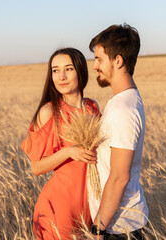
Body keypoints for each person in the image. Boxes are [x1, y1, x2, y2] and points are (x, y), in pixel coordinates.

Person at [21, 48, 100, 239]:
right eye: (55, 70)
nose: (61, 77)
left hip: (91, 205)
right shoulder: (49, 111)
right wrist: (68, 152)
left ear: (80, 71)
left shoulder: (92, 107)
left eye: (68, 69)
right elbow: (36, 167)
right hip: (59, 208)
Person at [88, 24, 148, 239]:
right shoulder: (120, 101)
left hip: (120, 228)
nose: (95, 66)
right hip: (116, 224)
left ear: (118, 61)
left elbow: (120, 176)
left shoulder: (124, 109)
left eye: (99, 59)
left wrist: (98, 227)